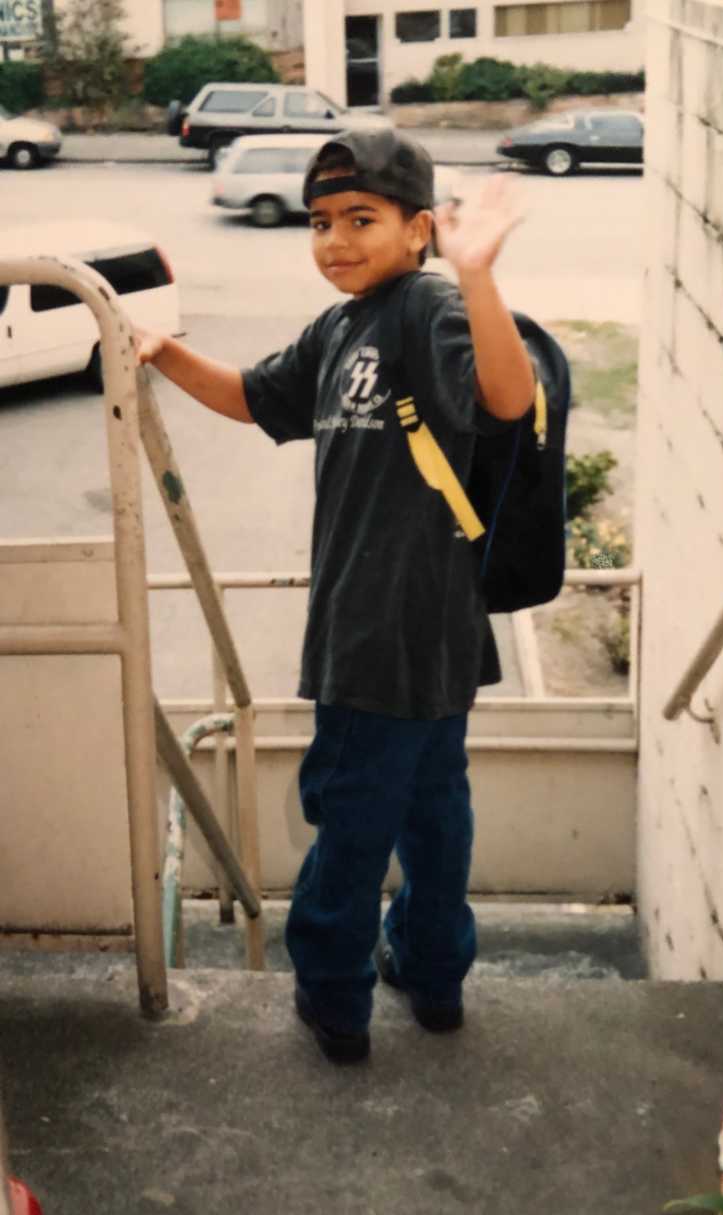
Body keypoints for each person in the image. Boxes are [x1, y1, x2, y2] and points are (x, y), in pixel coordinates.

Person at [134, 129, 535, 1065]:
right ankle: (434, 981)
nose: (335, 240)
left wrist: (476, 275)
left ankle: (336, 999)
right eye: (320, 221)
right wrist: (163, 353)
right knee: (435, 811)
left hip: (383, 628)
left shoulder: (427, 307)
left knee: (351, 816)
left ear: (420, 228)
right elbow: (258, 399)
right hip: (432, 630)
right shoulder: (342, 323)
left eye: (362, 219)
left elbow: (505, 400)